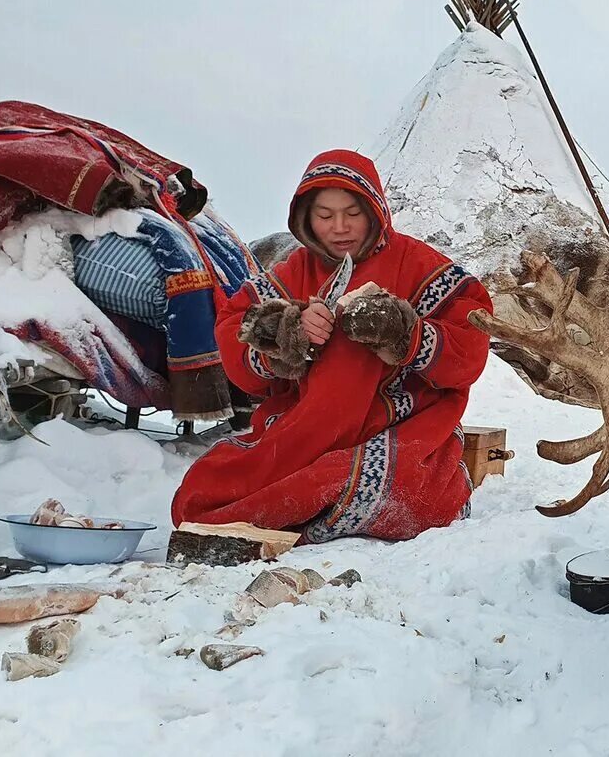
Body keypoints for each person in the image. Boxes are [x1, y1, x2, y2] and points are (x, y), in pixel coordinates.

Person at [170, 149, 492, 543]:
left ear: (375, 210)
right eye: (324, 216)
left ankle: (314, 504)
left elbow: (470, 347)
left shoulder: (421, 265)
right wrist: (290, 333)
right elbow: (237, 334)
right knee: (198, 497)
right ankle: (314, 503)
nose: (339, 227)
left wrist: (403, 333)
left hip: (394, 428)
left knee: (412, 497)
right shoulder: (296, 271)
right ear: (306, 219)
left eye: (353, 213)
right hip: (302, 430)